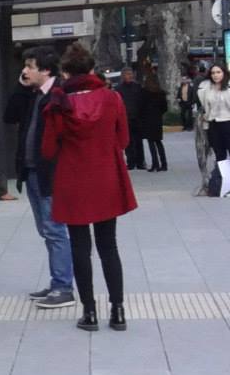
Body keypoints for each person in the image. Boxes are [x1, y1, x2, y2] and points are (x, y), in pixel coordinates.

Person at [42, 42, 138, 332]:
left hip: (73, 180)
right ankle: (118, 311)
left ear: (66, 72)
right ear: (92, 69)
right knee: (109, 245)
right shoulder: (112, 99)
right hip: (106, 177)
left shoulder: (59, 104)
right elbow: (123, 140)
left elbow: (48, 149)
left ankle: (90, 313)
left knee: (80, 248)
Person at [17, 50, 75, 307]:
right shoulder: (35, 96)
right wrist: (22, 87)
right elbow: (9, 114)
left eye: (30, 67)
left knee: (54, 230)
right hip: (32, 172)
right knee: (46, 230)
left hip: (50, 174)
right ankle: (56, 283)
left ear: (46, 71)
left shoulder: (58, 96)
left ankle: (64, 287)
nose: (25, 72)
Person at [196, 62, 230, 197]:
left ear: (224, 73)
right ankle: (224, 183)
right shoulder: (206, 87)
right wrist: (204, 115)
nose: (216, 75)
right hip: (214, 124)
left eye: (218, 72)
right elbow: (202, 104)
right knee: (220, 156)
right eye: (213, 73)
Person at [139, 69, 169, 172]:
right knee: (158, 142)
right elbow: (164, 108)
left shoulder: (144, 92)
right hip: (157, 119)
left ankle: (155, 163)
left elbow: (141, 106)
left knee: (151, 143)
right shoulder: (160, 93)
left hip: (147, 120)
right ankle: (164, 164)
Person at [117, 67, 146, 171]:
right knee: (128, 142)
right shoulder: (119, 89)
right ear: (123, 76)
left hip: (137, 118)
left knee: (139, 141)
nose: (129, 76)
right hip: (126, 118)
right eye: (127, 74)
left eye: (130, 74)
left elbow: (142, 102)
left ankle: (140, 162)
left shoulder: (137, 87)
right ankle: (131, 162)